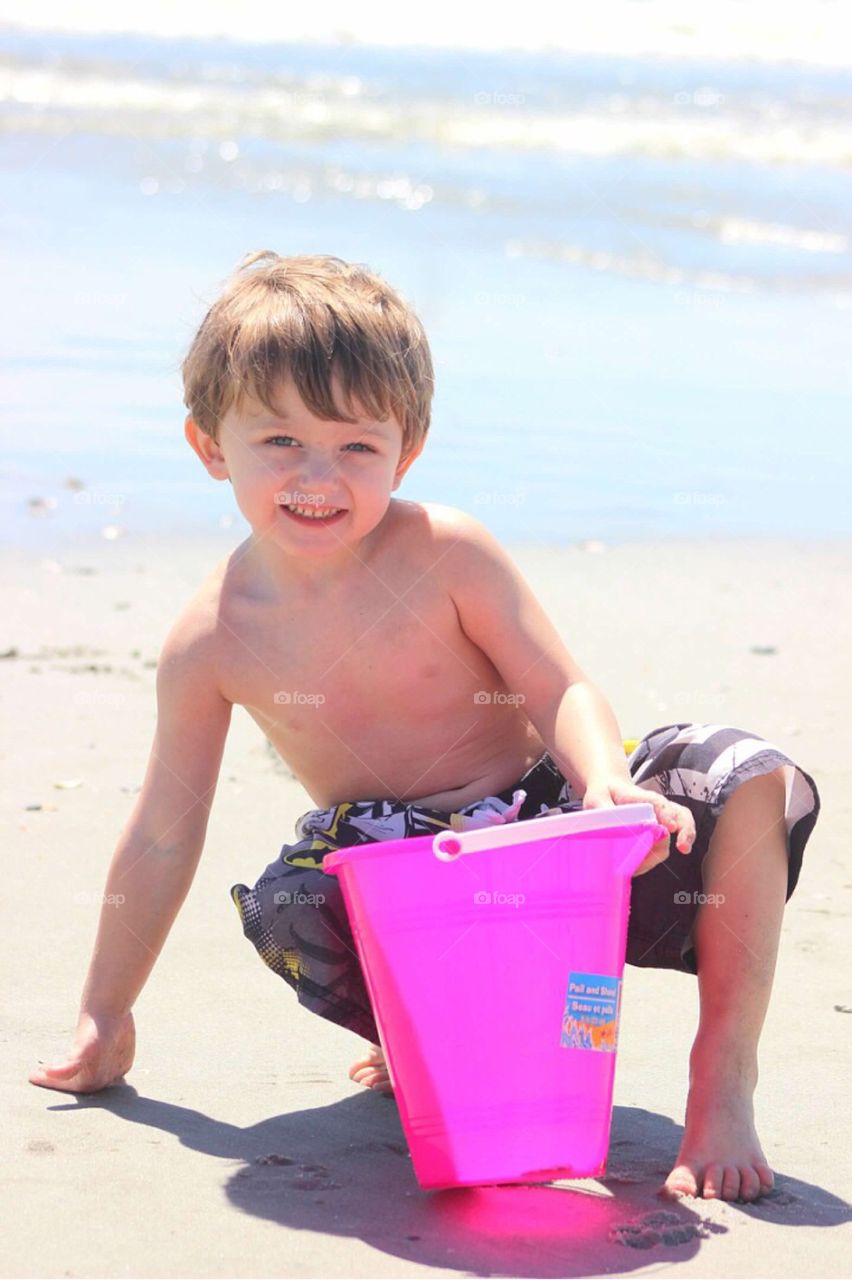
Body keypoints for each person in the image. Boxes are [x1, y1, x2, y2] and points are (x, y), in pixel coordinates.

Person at [30, 251, 820, 1204]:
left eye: (357, 447)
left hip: (556, 833)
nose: (318, 475)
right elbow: (165, 827)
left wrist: (607, 781)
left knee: (744, 773)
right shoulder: (212, 637)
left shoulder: (447, 551)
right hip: (410, 883)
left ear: (405, 450)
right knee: (291, 897)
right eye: (279, 439)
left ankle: (722, 1078)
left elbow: (557, 683)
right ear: (209, 446)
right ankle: (428, 1037)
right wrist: (104, 1014)